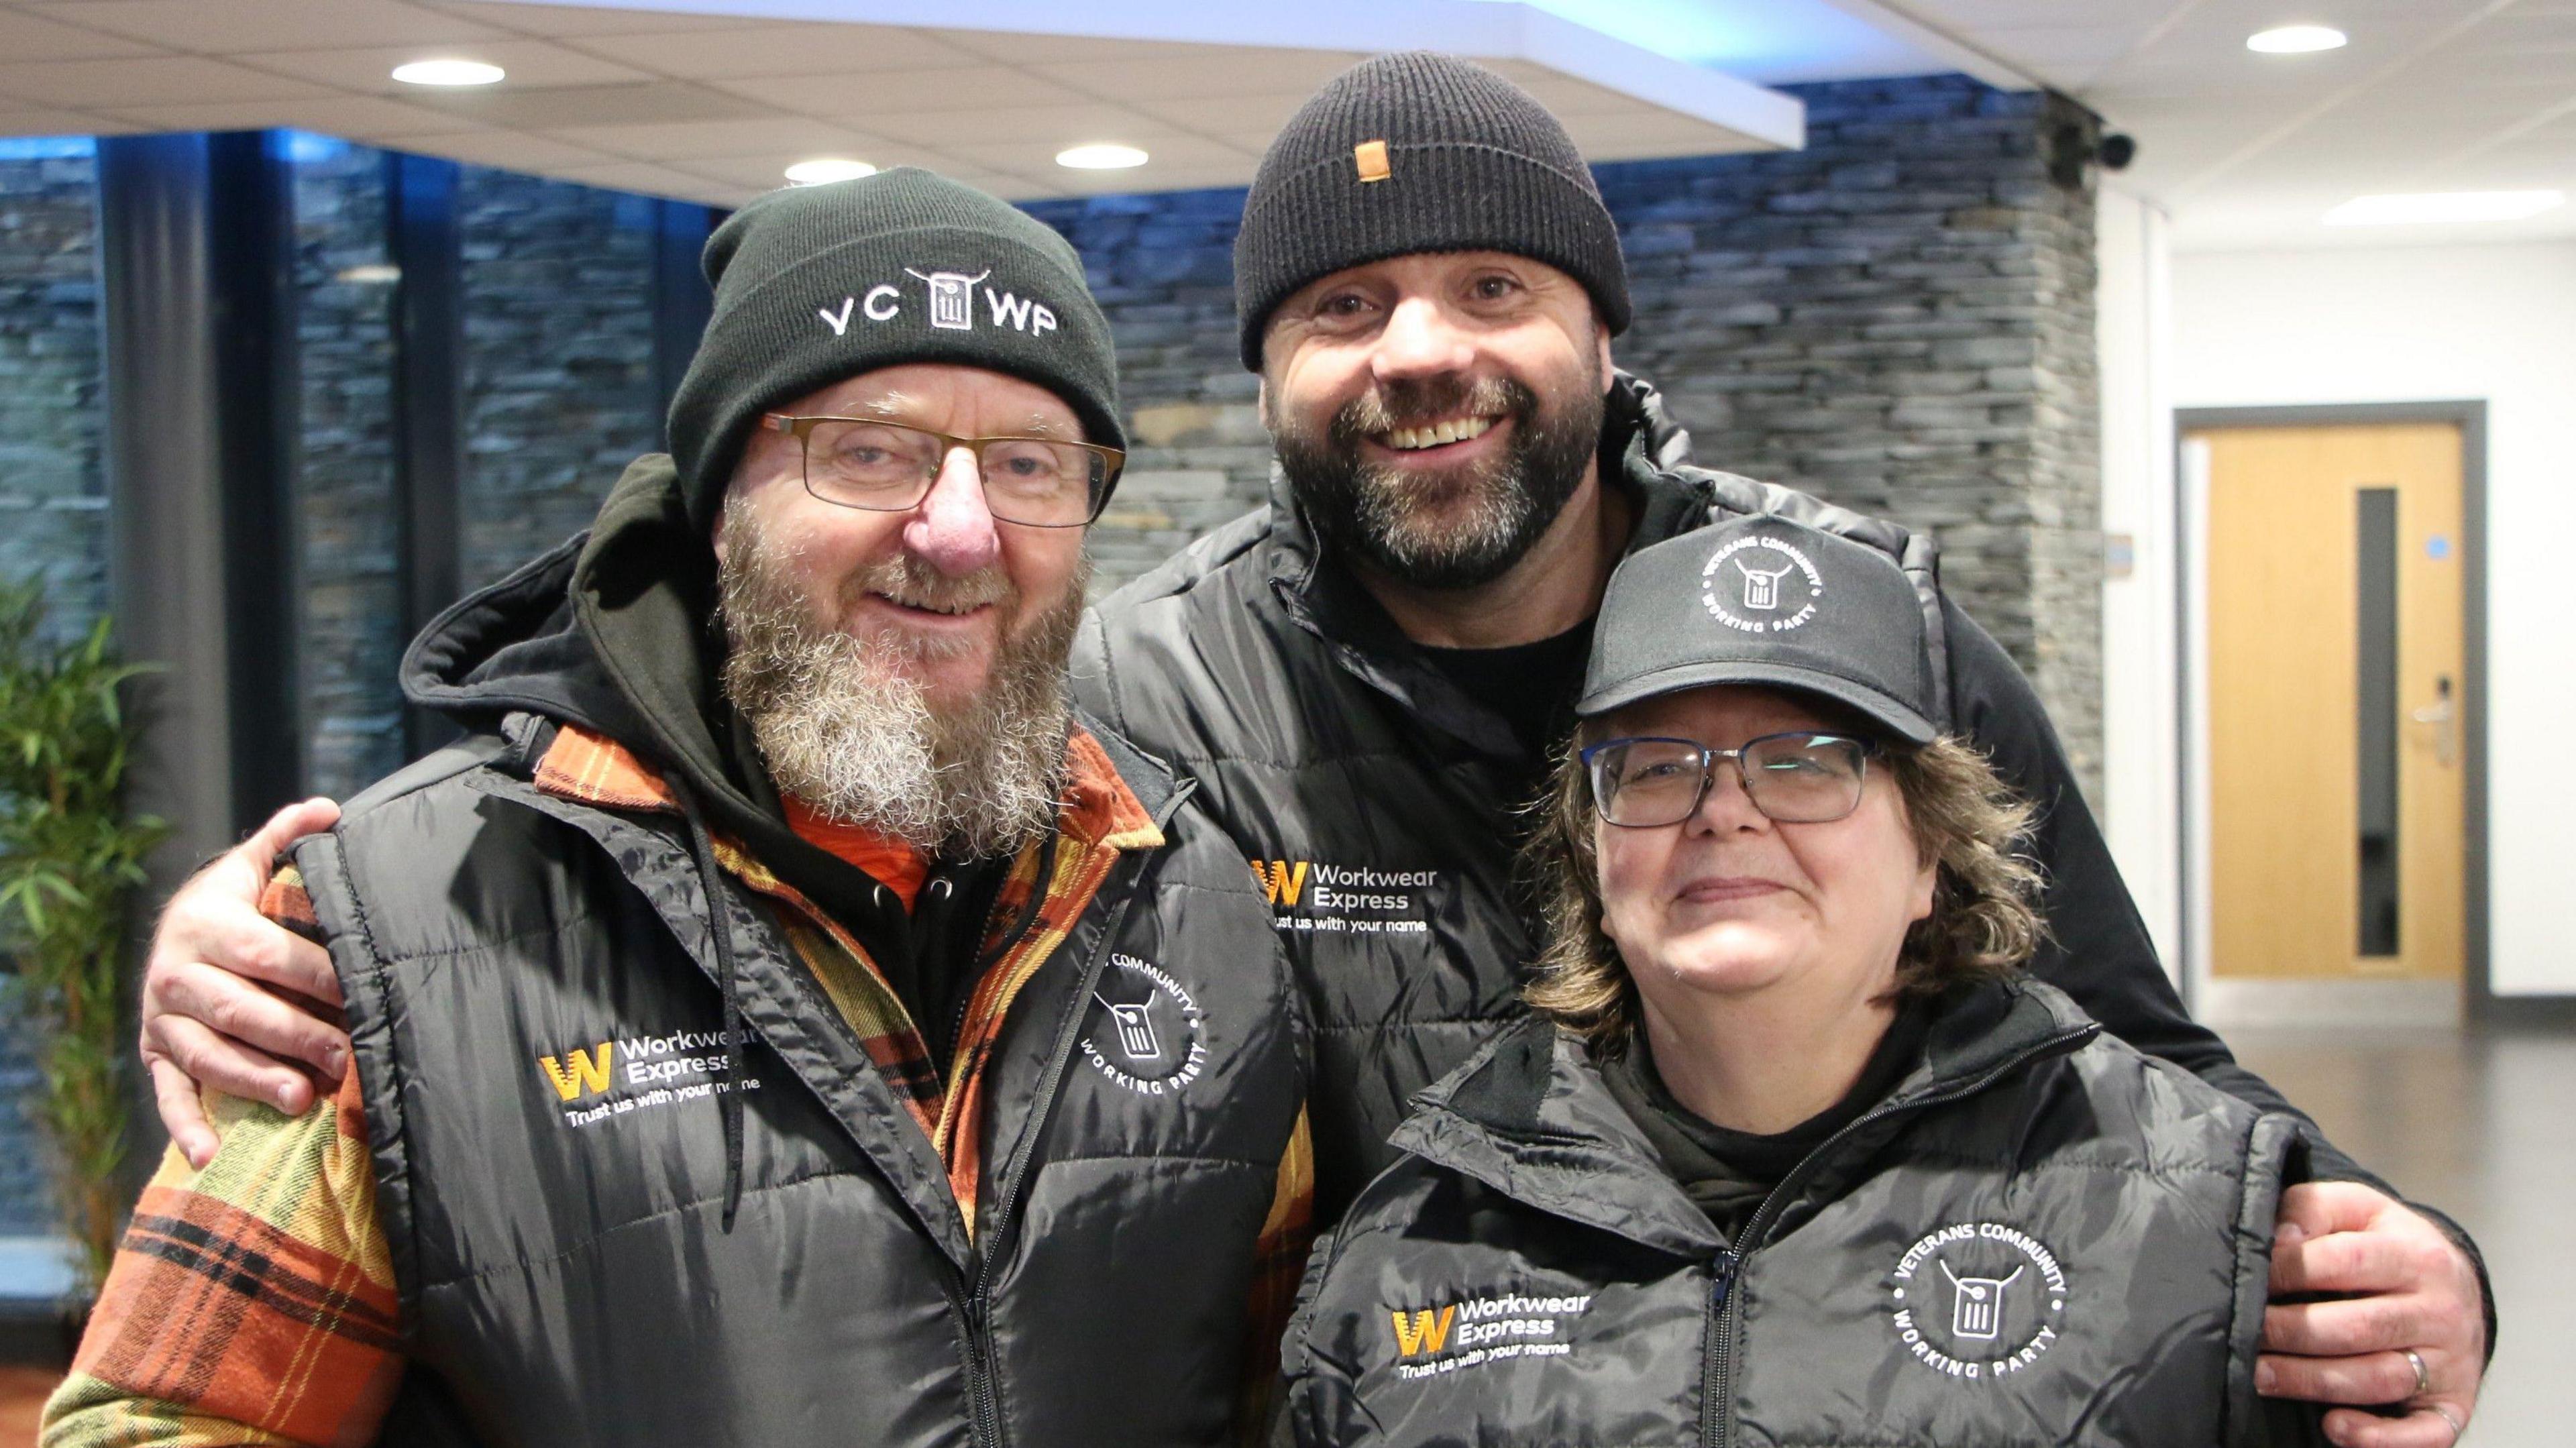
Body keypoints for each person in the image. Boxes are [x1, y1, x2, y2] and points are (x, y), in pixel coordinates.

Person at [135, 52, 2486, 1447]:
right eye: (1341, 308)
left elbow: (2128, 1052)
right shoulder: (1146, 707)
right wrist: (313, 911)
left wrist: (2403, 1263)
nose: (1418, 352)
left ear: (1596, 335)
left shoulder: (1843, 631)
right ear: (1265, 379)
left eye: (1491, 291)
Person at [47, 170, 1310, 1447]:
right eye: (870, 452)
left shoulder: (1189, 893)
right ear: (720, 503)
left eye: (1029, 464)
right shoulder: (399, 924)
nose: (959, 531)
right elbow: (155, 1421)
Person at [1279, 514, 2333, 1447]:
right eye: (1653, 767)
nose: (1724, 811)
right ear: (1593, 863)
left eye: (1805, 761)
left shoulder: (2201, 1222)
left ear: (1931, 853)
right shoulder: (1413, 1241)